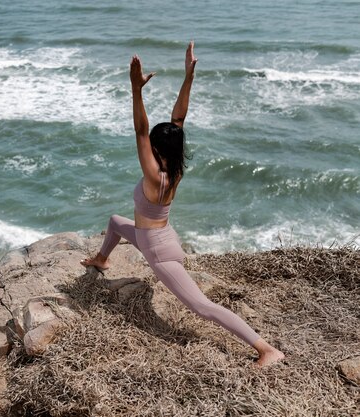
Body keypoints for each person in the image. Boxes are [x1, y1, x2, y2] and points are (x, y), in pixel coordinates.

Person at [81, 42, 285, 367]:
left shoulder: (155, 178)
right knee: (117, 222)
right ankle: (102, 259)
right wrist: (189, 75)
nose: (148, 148)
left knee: (203, 307)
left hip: (160, 254)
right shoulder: (173, 168)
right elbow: (179, 117)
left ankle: (266, 349)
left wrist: (136, 91)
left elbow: (140, 131)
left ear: (158, 150)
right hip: (160, 237)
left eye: (152, 146)